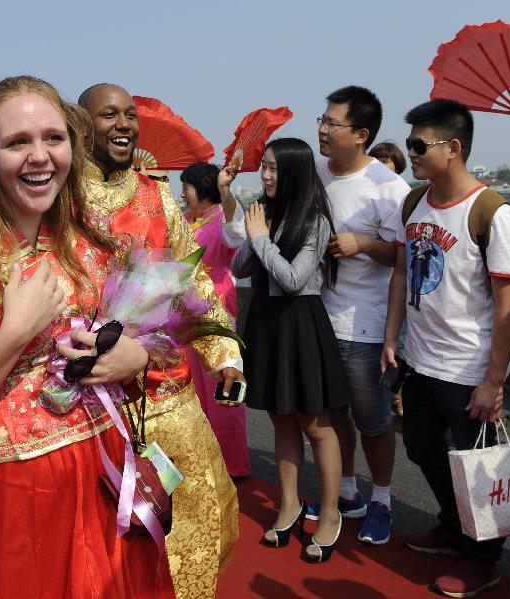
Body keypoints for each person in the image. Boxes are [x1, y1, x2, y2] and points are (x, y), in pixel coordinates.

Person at [0, 75, 174, 599]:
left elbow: (139, 332)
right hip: (4, 494)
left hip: (102, 469)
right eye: (17, 142)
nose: (40, 156)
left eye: (53, 138)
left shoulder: (87, 236)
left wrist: (133, 355)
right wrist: (14, 334)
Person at [79, 83, 240, 599]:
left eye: (130, 115)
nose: (124, 124)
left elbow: (191, 281)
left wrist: (224, 354)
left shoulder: (155, 196)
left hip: (169, 395)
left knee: (197, 518)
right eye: (109, 115)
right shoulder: (57, 197)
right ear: (81, 125)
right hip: (90, 402)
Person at [382, 99, 510, 598]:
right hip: (420, 360)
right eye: (412, 145)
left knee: (479, 467)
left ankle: (483, 559)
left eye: (420, 146)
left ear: (454, 147)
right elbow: (402, 272)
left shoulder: (493, 213)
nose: (412, 153)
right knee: (421, 447)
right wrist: (390, 337)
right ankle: (452, 524)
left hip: (469, 366)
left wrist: (494, 381)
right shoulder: (414, 202)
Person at [231, 137, 348, 563]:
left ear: (296, 172)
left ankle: (330, 513)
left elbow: (295, 279)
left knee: (316, 425)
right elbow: (238, 267)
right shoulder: (264, 212)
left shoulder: (315, 219)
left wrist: (262, 240)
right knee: (282, 421)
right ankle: (289, 505)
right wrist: (252, 232)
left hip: (300, 323)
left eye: (274, 169)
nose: (265, 175)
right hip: (267, 323)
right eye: (263, 167)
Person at [312, 86, 410, 545]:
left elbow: (401, 259)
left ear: (362, 134)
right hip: (317, 316)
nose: (323, 129)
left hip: (364, 323)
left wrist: (364, 243)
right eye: (322, 120)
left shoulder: (388, 188)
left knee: (372, 419)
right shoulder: (313, 171)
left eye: (334, 123)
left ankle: (383, 498)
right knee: (331, 415)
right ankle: (347, 491)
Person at [182, 161, 250, 478]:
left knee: (225, 388)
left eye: (187, 189)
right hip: (186, 317)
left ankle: (233, 464)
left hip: (219, 313)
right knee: (194, 388)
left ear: (205, 192)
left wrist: (226, 192)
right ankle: (204, 458)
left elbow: (237, 233)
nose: (183, 195)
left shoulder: (222, 220)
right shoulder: (185, 220)